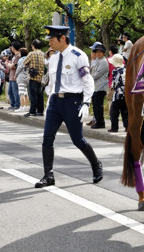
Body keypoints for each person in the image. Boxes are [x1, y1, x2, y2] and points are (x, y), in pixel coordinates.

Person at [33, 25, 103, 188]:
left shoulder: (78, 56)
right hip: (55, 102)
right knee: (47, 138)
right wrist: (49, 100)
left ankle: (96, 164)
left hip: (72, 102)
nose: (50, 43)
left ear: (62, 38)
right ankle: (48, 175)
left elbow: (87, 81)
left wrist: (86, 103)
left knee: (78, 140)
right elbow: (51, 82)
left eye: (52, 40)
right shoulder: (53, 58)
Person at [88, 42, 109, 129]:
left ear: (104, 53)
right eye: (97, 52)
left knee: (98, 106)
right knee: (95, 106)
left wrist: (87, 79)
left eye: (100, 52)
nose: (98, 53)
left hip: (100, 87)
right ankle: (98, 121)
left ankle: (100, 123)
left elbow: (96, 74)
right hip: (95, 87)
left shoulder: (103, 62)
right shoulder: (96, 61)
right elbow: (90, 70)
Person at [24, 39, 46, 117]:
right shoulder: (43, 54)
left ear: (33, 46)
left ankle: (32, 111)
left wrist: (29, 66)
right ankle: (40, 111)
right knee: (40, 95)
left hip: (33, 77)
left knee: (33, 95)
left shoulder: (31, 54)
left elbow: (25, 62)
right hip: (41, 77)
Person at [108, 51, 128, 133]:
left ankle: (114, 127)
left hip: (118, 94)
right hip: (126, 93)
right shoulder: (125, 69)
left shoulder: (115, 71)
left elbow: (115, 82)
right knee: (125, 111)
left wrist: (112, 86)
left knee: (114, 111)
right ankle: (127, 127)